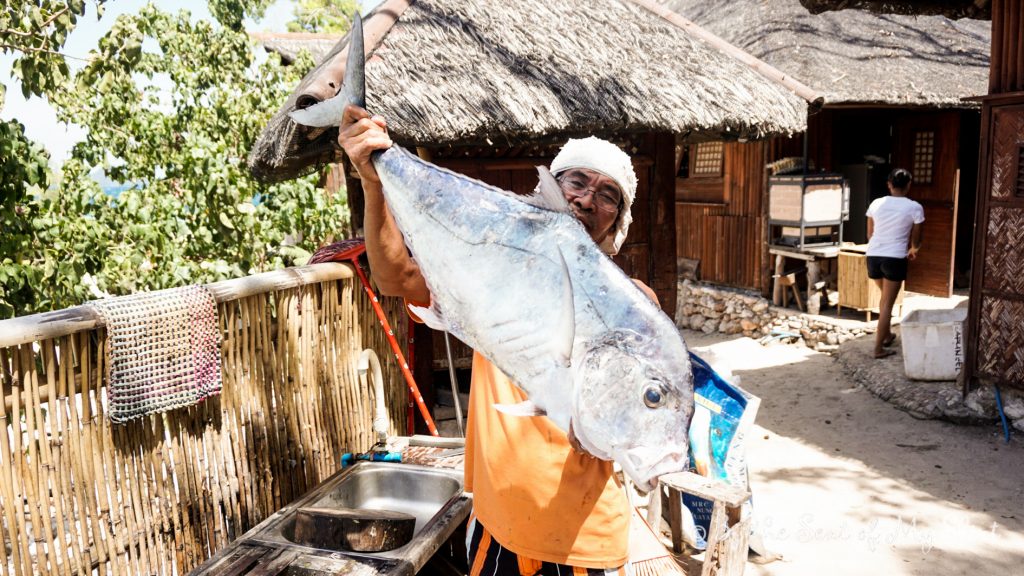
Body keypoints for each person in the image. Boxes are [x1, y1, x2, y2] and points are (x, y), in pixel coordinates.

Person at [338, 104, 656, 575]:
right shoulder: (494, 277)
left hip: (583, 543)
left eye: (608, 195)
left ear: (617, 222)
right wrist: (372, 180)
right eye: (577, 183)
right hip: (494, 530)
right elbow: (394, 275)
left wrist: (606, 433)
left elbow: (638, 418)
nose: (588, 200)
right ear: (551, 190)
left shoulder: (634, 306)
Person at [865, 168, 924, 359]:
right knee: (887, 306)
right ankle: (878, 349)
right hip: (894, 258)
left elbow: (869, 234)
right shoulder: (914, 207)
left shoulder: (876, 203)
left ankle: (888, 335)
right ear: (908, 185)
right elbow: (916, 239)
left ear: (889, 184)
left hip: (873, 256)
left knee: (884, 300)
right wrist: (913, 250)